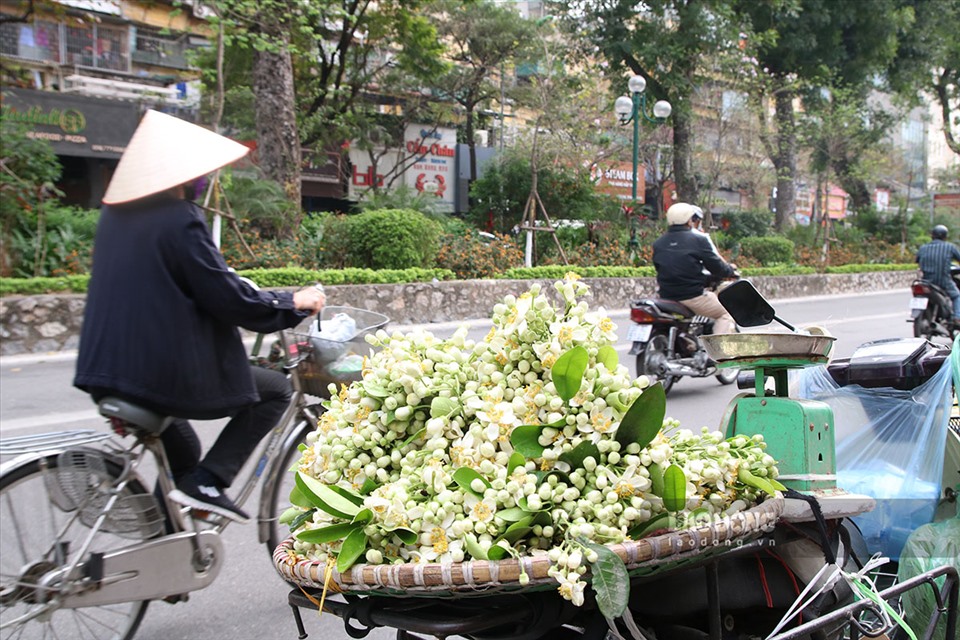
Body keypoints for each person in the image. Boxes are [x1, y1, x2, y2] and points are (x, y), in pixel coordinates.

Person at [74, 110, 326, 522]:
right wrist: (290, 302)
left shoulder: (114, 219)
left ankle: (164, 545)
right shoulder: (179, 219)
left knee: (184, 452)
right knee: (276, 391)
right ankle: (210, 482)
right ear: (182, 176)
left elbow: (174, 283)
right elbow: (227, 298)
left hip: (104, 371)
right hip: (157, 374)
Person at [652, 202, 738, 334]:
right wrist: (729, 270)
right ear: (689, 220)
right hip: (692, 296)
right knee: (726, 314)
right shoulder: (698, 240)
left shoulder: (659, 243)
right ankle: (718, 352)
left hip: (665, 296)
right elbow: (716, 267)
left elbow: (661, 267)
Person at [916, 224, 960, 325]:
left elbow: (917, 260)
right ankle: (957, 317)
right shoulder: (949, 247)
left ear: (932, 236)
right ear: (945, 236)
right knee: (957, 295)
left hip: (926, 282)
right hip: (943, 281)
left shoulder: (923, 248)